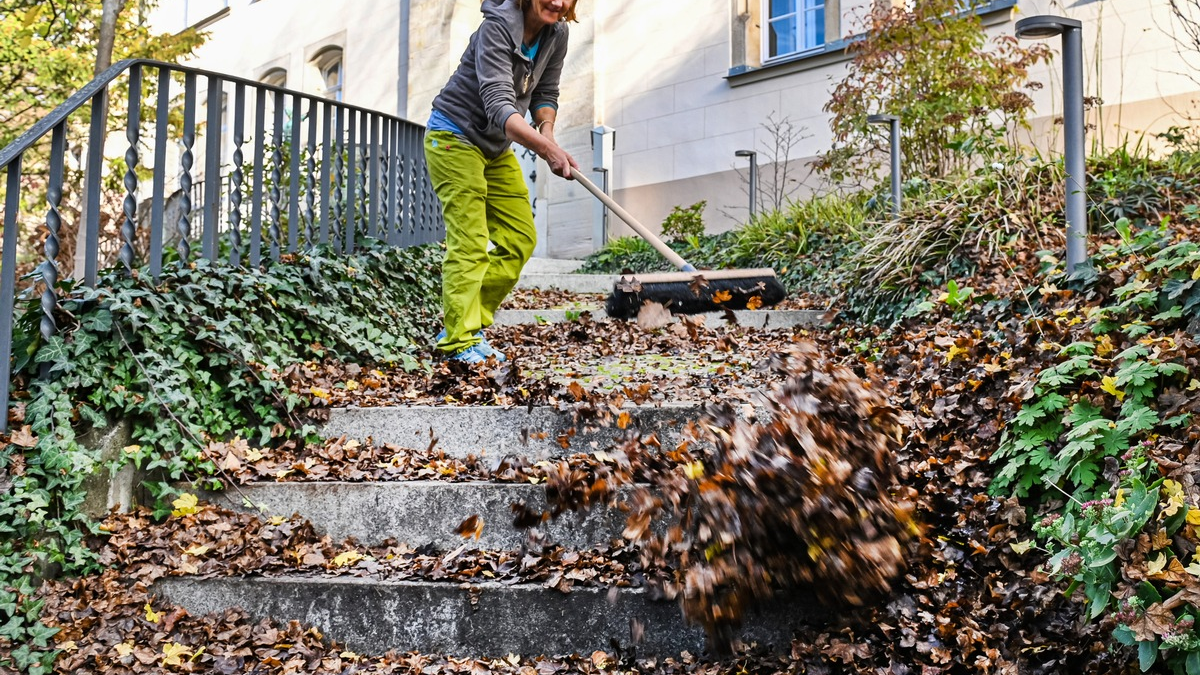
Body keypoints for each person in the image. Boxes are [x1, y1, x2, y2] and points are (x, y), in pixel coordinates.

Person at [425, 0, 581, 363]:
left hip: (494, 148)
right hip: (453, 137)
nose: (558, 2)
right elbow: (498, 105)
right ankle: (459, 342)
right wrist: (546, 151)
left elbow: (546, 93)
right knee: (471, 242)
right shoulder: (496, 27)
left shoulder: (557, 33)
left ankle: (462, 323)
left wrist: (548, 133)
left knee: (520, 238)